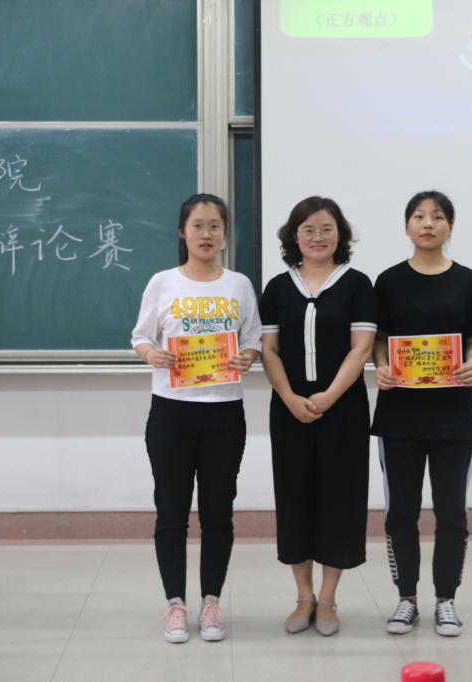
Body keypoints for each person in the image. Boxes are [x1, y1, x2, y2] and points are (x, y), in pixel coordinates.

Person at [130, 193, 262, 644]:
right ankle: (175, 603)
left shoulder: (239, 285)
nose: (206, 234)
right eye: (198, 226)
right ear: (182, 232)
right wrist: (152, 354)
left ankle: (211, 601)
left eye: (215, 226)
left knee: (218, 513)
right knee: (171, 511)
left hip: (224, 412)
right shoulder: (163, 282)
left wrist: (247, 357)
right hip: (171, 412)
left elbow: (253, 338)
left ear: (225, 234)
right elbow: (140, 336)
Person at [371, 190, 472, 638]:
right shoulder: (388, 281)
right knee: (400, 512)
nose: (427, 224)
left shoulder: (467, 280)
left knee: (451, 512)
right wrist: (381, 366)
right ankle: (406, 599)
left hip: (452, 415)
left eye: (437, 217)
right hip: (399, 415)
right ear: (407, 226)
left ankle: (446, 600)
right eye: (419, 216)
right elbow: (379, 340)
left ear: (450, 227)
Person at [259, 196, 376, 636]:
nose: (318, 237)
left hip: (343, 409)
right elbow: (269, 351)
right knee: (295, 500)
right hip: (289, 410)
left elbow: (361, 349)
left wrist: (327, 397)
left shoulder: (357, 284)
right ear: (294, 236)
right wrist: (290, 396)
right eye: (308, 229)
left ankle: (328, 598)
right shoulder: (277, 288)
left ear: (339, 234)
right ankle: (303, 596)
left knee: (339, 500)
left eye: (327, 228)